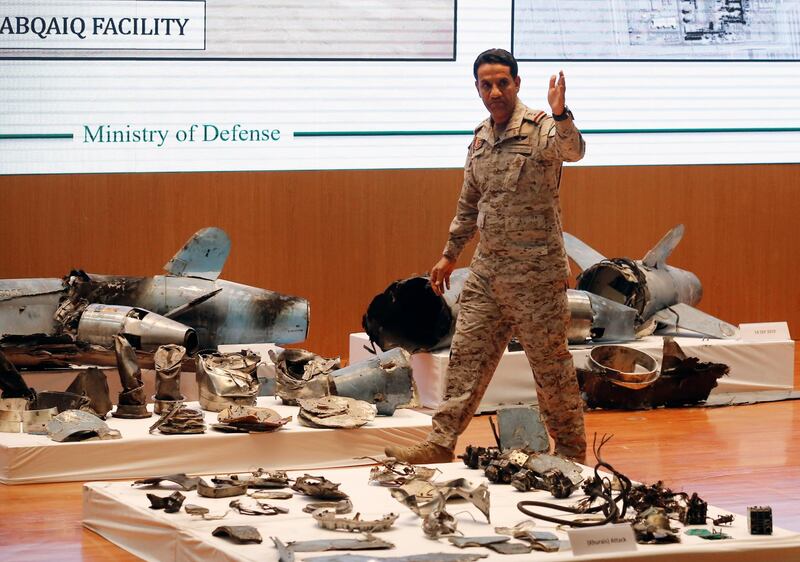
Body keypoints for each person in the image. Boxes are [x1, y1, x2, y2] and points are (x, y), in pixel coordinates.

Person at [385, 48, 587, 464]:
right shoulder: (479, 138)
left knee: (551, 370)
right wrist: (449, 254)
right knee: (465, 362)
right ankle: (440, 443)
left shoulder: (542, 129)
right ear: (477, 88)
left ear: (516, 83)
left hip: (536, 276)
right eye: (486, 84)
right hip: (487, 273)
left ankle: (569, 450)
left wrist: (563, 113)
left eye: (502, 83)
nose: (495, 91)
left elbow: (573, 151)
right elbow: (469, 201)